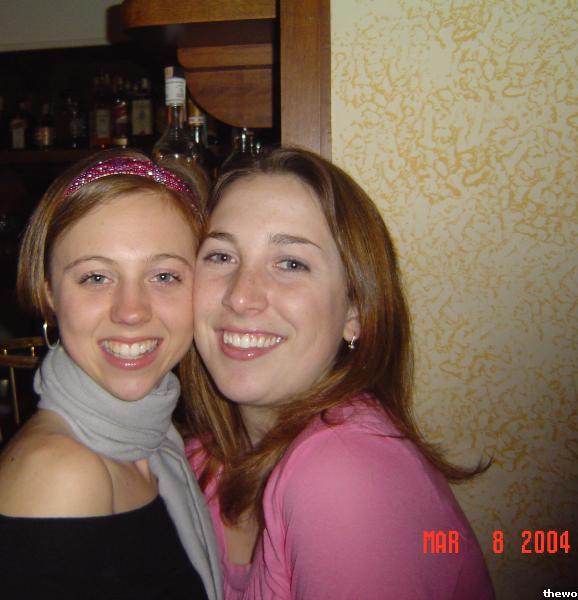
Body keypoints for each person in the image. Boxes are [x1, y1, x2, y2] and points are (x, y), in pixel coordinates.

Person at [180, 146, 495, 599]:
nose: (241, 296)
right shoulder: (197, 463)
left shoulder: (344, 472)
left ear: (355, 311)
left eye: (291, 263)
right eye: (221, 256)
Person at [0, 149, 221, 600]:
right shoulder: (61, 475)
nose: (131, 311)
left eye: (164, 276)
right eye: (96, 277)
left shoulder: (155, 442)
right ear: (49, 293)